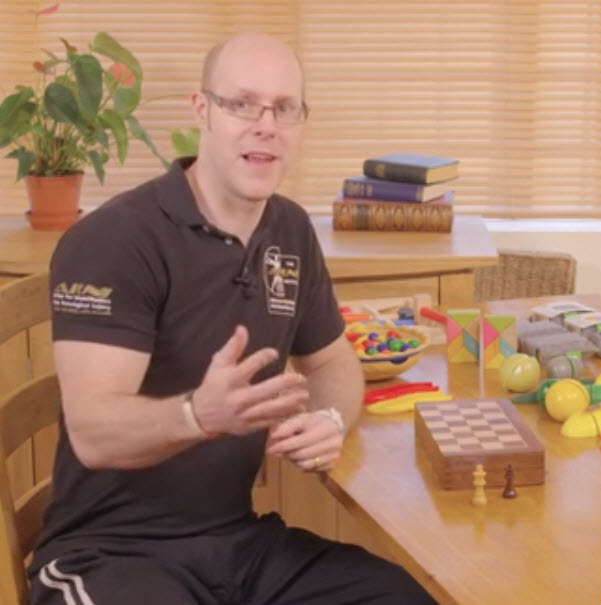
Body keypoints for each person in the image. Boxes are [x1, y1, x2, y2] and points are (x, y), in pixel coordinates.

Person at [29, 31, 436, 605]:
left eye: (284, 108)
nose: (266, 125)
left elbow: (332, 362)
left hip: (239, 545)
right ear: (202, 110)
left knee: (401, 596)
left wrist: (329, 419)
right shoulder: (114, 240)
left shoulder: (290, 229)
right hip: (110, 555)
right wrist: (198, 415)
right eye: (242, 104)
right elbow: (93, 433)